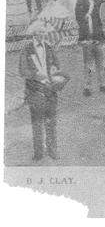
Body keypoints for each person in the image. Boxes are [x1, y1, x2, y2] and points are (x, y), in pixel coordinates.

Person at [19, 20, 66, 161]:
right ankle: (38, 152)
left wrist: (54, 71)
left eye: (44, 32)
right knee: (37, 123)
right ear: (34, 34)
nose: (43, 35)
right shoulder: (26, 49)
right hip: (35, 90)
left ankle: (52, 151)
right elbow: (22, 71)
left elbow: (57, 65)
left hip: (50, 90)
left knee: (51, 122)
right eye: (40, 32)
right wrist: (36, 75)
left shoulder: (49, 48)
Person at [75, 0, 105, 97]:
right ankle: (88, 87)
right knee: (89, 63)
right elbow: (80, 20)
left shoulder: (95, 1)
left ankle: (104, 85)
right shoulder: (80, 1)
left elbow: (99, 16)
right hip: (87, 37)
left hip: (97, 36)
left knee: (101, 62)